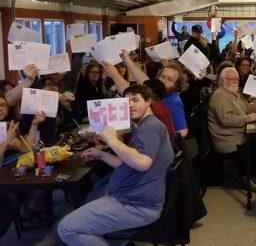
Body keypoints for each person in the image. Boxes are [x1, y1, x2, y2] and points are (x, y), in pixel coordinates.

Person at [58, 84, 174, 245]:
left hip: (135, 205)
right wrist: (102, 154)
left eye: (135, 100)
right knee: (92, 195)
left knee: (66, 229)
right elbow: (128, 163)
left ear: (148, 102)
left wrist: (112, 140)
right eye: (126, 102)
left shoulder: (150, 126)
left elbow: (142, 163)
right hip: (132, 198)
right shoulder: (144, 126)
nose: (130, 105)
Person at [120, 53, 189, 138]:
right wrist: (126, 59)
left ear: (176, 85)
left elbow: (183, 131)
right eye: (163, 77)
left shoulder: (173, 101)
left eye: (170, 79)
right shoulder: (159, 92)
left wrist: (163, 140)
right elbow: (144, 80)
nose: (164, 81)